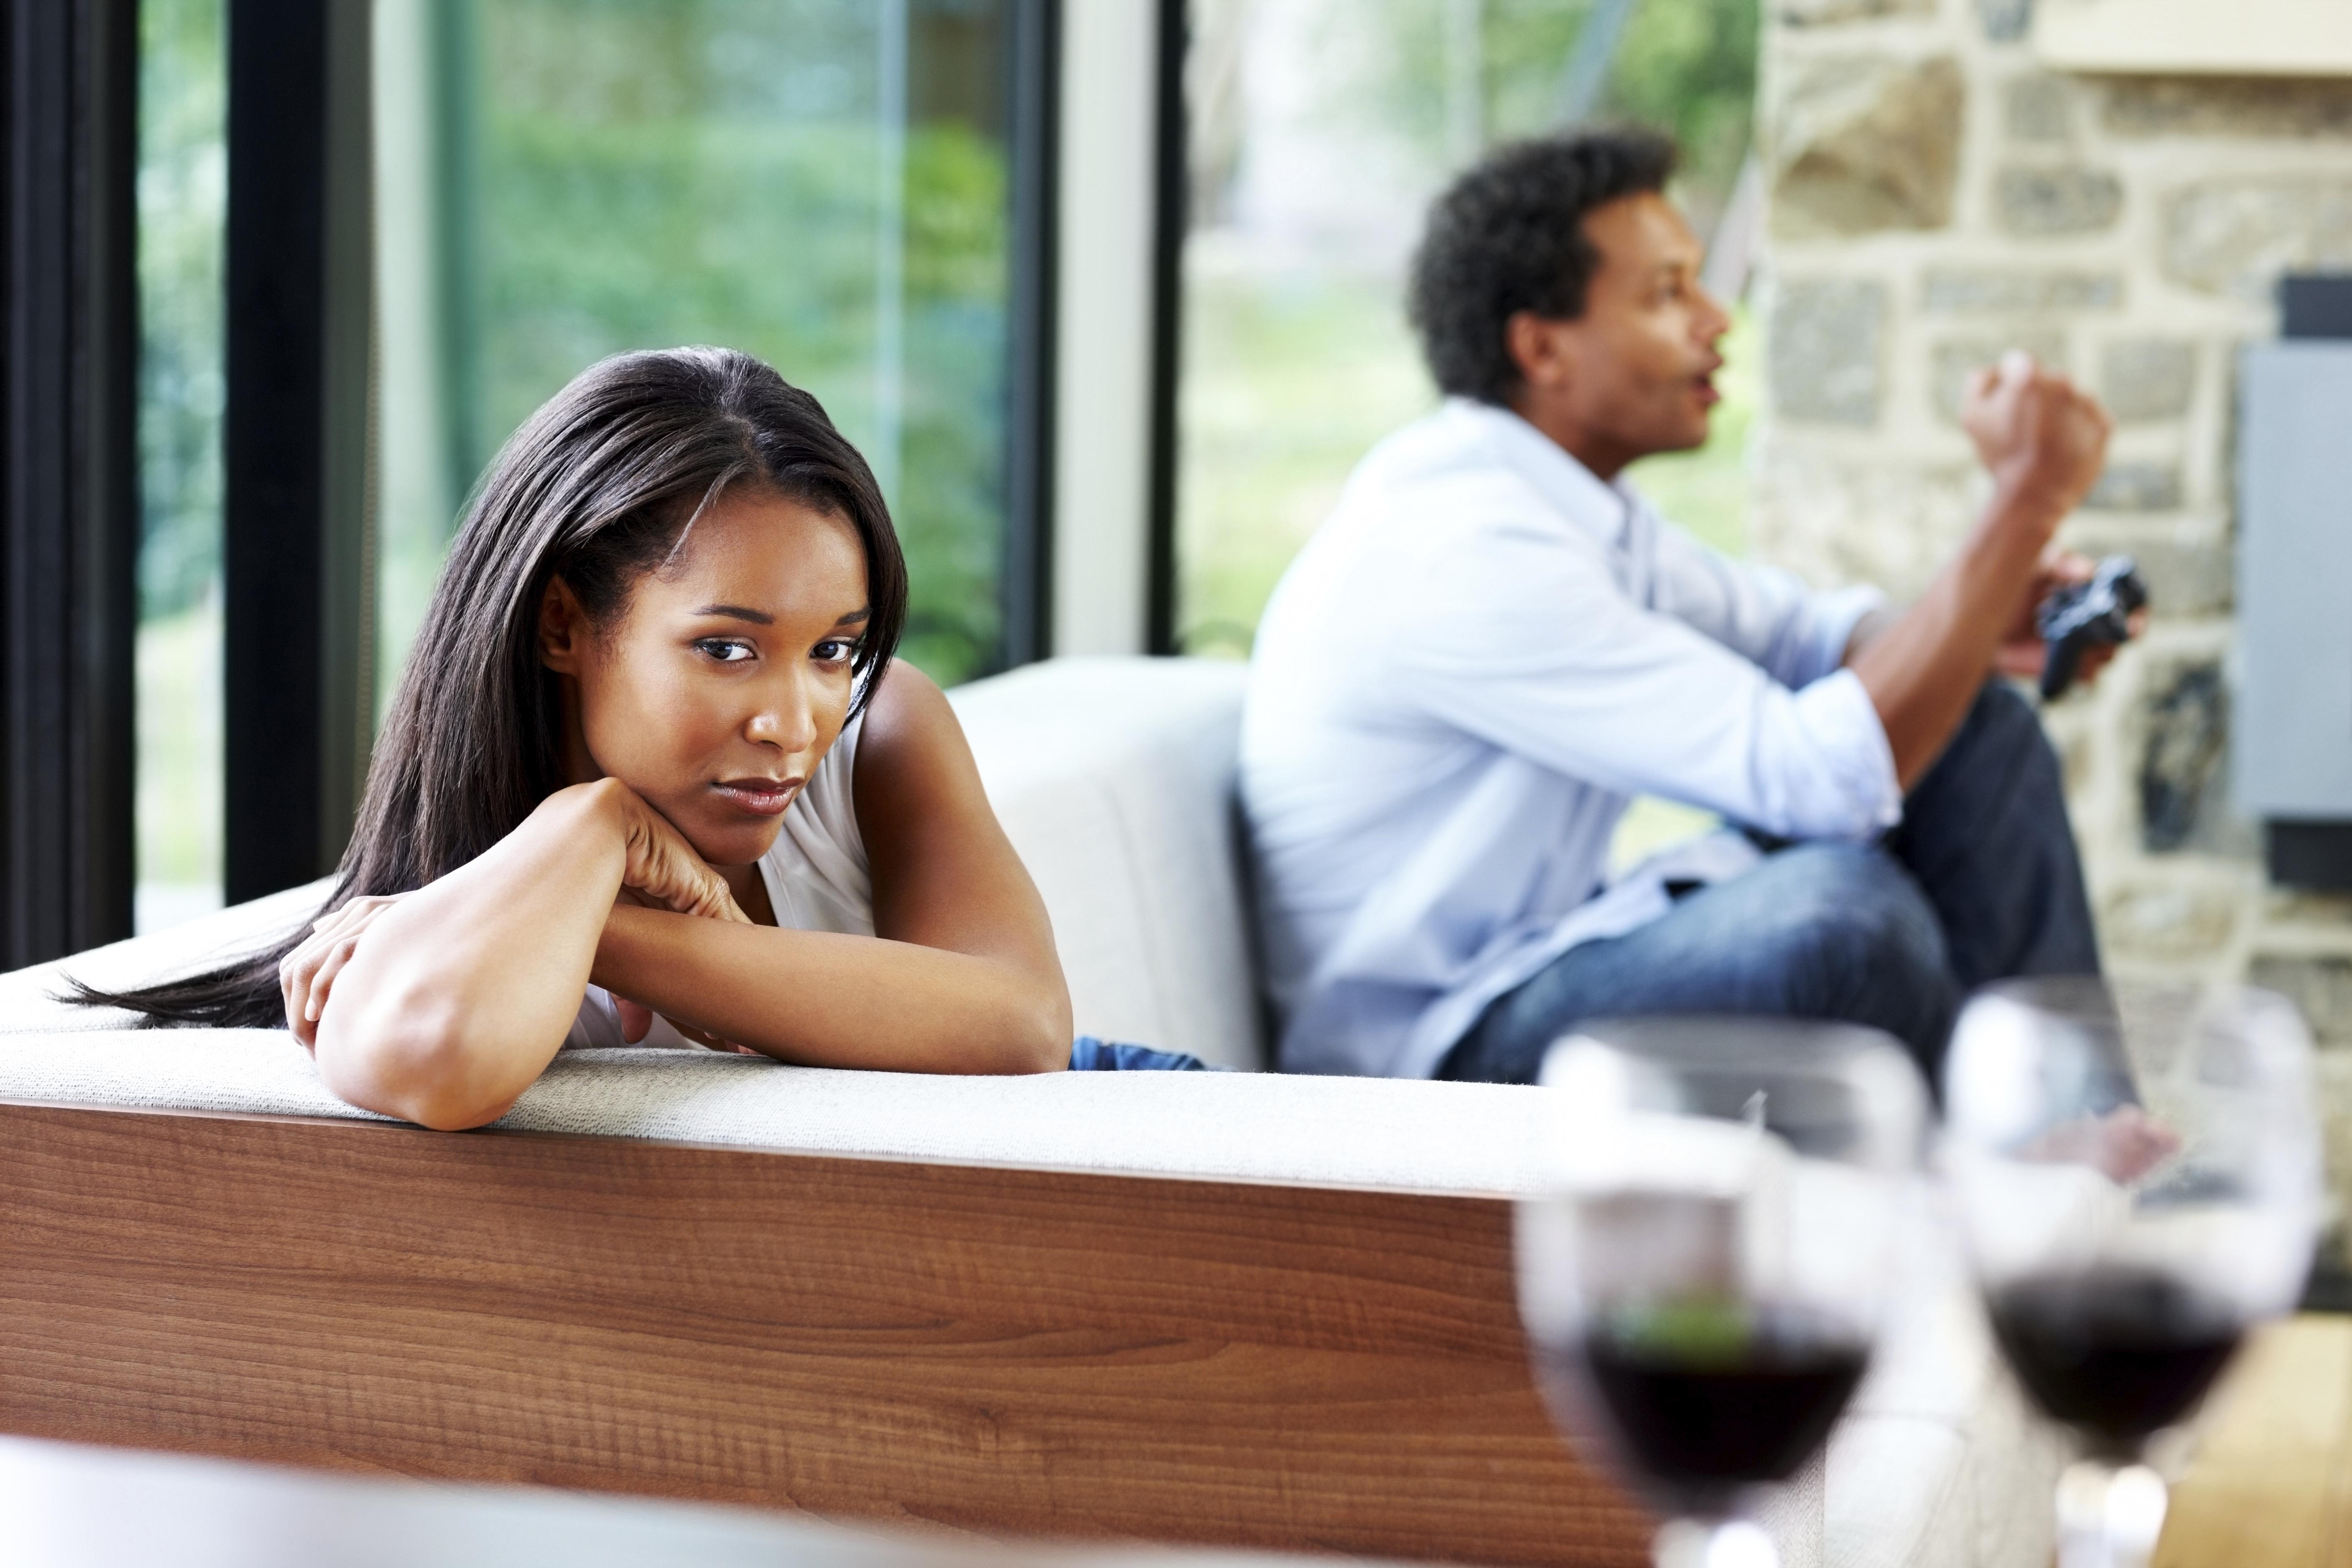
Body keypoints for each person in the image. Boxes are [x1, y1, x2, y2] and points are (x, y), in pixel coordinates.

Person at [79, 348, 1205, 1127]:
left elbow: (1019, 1025)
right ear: (565, 624)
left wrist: (617, 933)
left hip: (1118, 1109)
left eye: (832, 650)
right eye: (726, 648)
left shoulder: (885, 731)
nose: (793, 720)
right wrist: (594, 824)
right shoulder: (489, 911)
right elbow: (432, 1065)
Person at [1239, 129, 2122, 1088]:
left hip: (1566, 948)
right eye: (1668, 294)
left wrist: (1980, 618)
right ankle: (2008, 1173)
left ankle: (2066, 1139)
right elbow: (1814, 776)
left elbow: (1803, 638)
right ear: (1543, 348)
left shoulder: (1577, 507)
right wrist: (2023, 504)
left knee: (1972, 731)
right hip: (1437, 1052)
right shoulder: (1467, 552)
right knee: (1840, 924)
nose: (1718, 320)